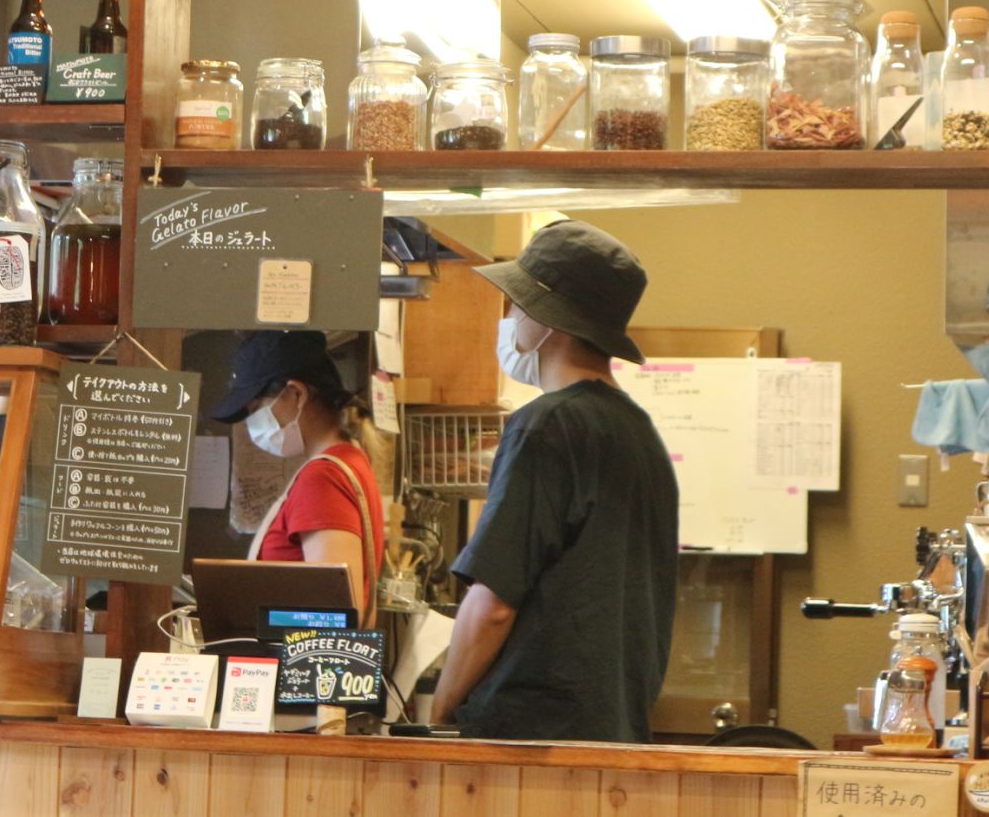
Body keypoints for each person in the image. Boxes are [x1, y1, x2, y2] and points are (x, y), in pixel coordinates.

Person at [431, 220, 678, 742]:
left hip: (531, 736)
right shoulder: (640, 434)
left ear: (547, 320)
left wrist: (439, 710)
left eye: (517, 304)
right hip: (610, 729)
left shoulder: (545, 426)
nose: (510, 318)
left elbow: (493, 605)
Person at [209, 330, 385, 621]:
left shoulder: (323, 479)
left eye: (256, 409)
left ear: (296, 394)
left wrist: (253, 617)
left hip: (300, 651)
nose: (252, 425)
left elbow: (334, 617)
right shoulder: (348, 459)